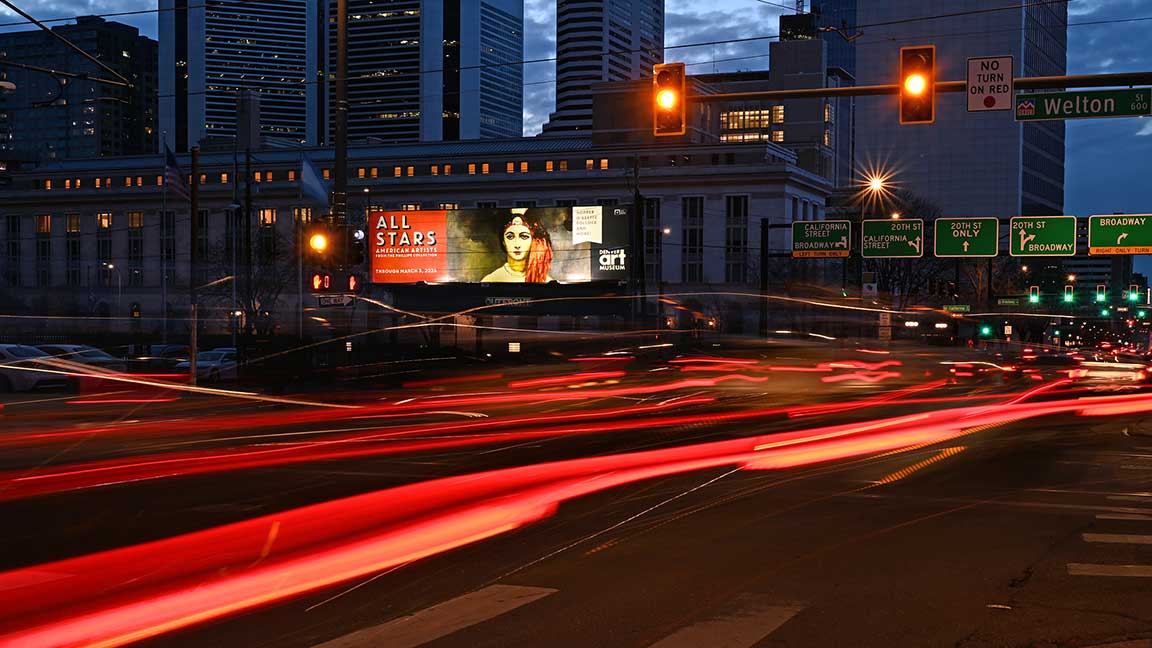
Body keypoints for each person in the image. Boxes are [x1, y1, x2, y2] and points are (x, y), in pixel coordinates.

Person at [481, 214, 554, 283]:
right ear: (503, 242)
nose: (517, 245)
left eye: (524, 237)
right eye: (510, 237)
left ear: (533, 241)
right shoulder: (492, 279)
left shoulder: (545, 281)